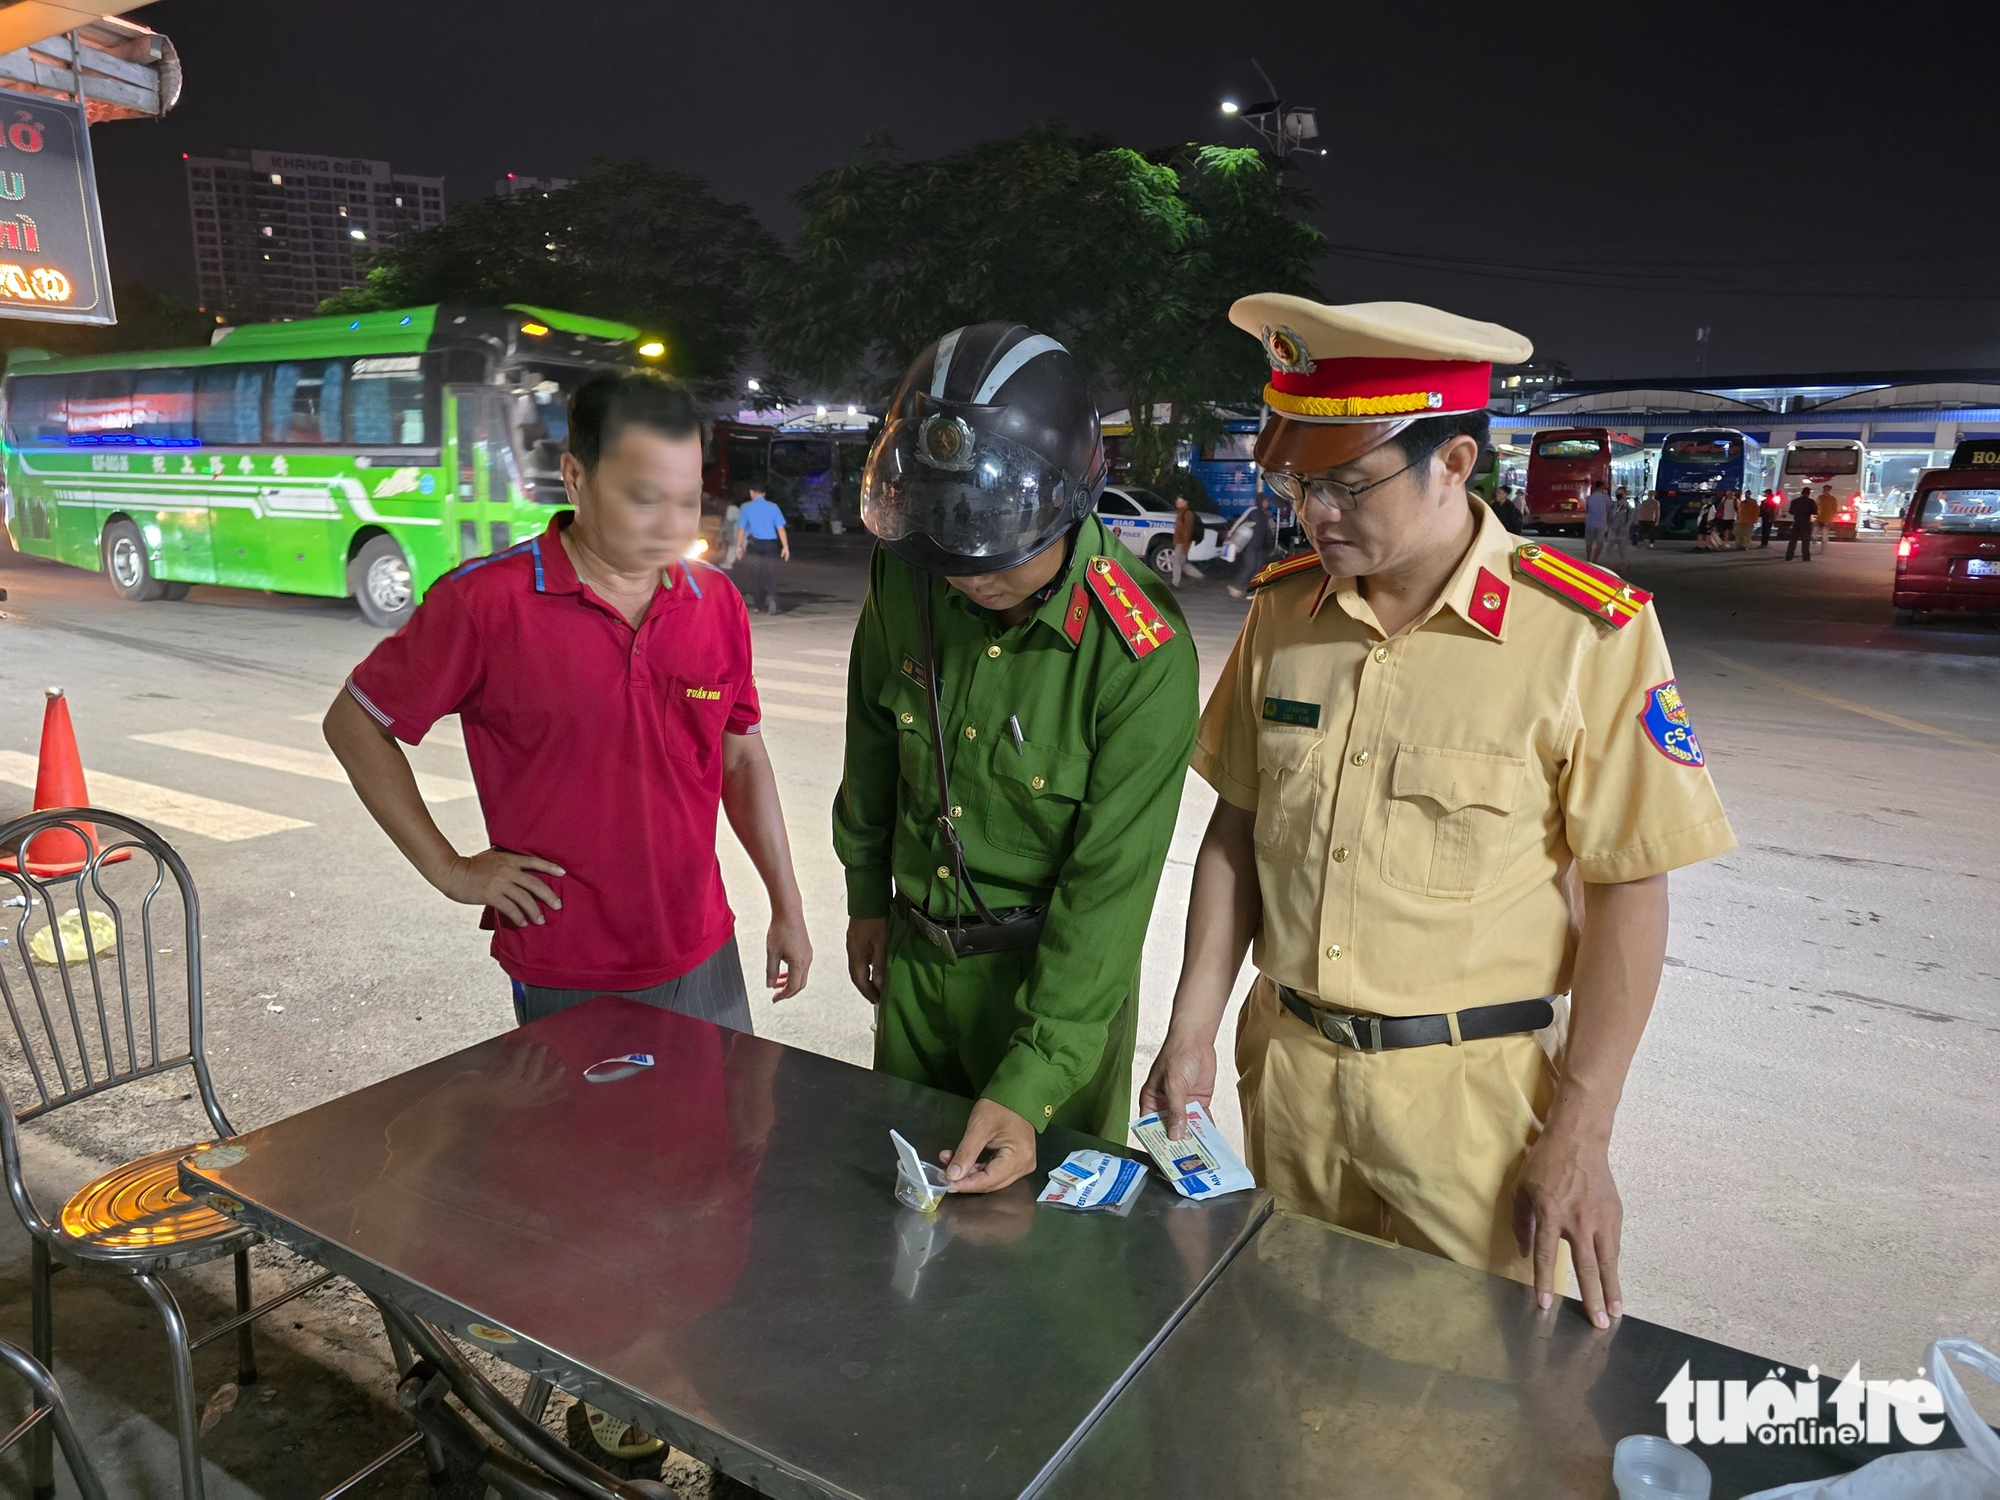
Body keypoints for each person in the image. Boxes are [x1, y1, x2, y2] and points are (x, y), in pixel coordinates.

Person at [1141, 292, 1736, 1329]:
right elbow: (1234, 832)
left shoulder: (1583, 635)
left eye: (1342, 484)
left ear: (1452, 463)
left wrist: (1582, 1131)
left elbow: (1629, 891)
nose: (1310, 513)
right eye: (1294, 482)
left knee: (1457, 1418)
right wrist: (1190, 1025)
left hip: (1471, 1107)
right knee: (1286, 1372)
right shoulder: (1285, 617)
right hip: (1287, 1081)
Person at [325, 369, 813, 1038]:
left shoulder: (716, 603)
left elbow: (742, 761)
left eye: (687, 499)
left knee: (719, 1136)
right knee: (585, 1142)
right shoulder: (485, 603)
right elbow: (355, 723)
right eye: (644, 498)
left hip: (701, 946)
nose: (671, 526)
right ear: (577, 477)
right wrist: (450, 869)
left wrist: (787, 906)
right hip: (565, 961)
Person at [835, 321, 1199, 1195]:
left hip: (1053, 996)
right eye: (943, 533)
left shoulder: (1140, 652)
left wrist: (1035, 1078)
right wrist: (865, 897)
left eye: (993, 539)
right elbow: (873, 740)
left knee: (1047, 1281)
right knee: (899, 1226)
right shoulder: (910, 572)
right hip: (917, 971)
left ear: (1075, 500)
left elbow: (1106, 895)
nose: (965, 569)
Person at [735, 483, 789, 614]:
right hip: (770, 545)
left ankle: (760, 605)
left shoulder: (746, 507)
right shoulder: (773, 507)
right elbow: (780, 528)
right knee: (771, 574)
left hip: (755, 545)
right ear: (764, 493)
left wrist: (739, 546)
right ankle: (773, 598)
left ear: (751, 492)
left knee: (755, 575)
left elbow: (741, 529)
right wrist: (785, 547)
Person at [1227, 494, 1276, 597]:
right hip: (1250, 546)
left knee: (1258, 568)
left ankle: (1252, 590)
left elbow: (1266, 531)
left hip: (1259, 547)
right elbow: (1240, 522)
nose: (1267, 502)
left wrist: (1269, 545)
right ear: (1260, 501)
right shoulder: (1253, 511)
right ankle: (1235, 585)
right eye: (1265, 500)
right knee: (1250, 566)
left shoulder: (1263, 514)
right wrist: (1231, 534)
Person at [1170, 495, 1197, 586]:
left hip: (1182, 542)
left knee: (1177, 563)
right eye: (1176, 500)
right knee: (1180, 562)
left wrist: (1185, 546)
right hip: (1180, 542)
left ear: (1186, 502)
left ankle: (1175, 583)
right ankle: (1197, 575)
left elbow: (1187, 531)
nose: (1176, 502)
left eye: (1179, 501)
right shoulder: (1181, 513)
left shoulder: (1187, 514)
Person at [1583, 479, 1612, 562]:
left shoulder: (1589, 498)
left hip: (1589, 523)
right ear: (1602, 487)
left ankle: (1588, 558)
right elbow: (1609, 509)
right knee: (1600, 543)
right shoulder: (1605, 497)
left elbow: (1587, 510)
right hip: (1600, 523)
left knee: (1589, 542)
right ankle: (1594, 560)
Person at [1786, 485, 1816, 561]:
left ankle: (1789, 556)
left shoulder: (1795, 501)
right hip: (1806, 523)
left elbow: (1791, 511)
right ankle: (1805, 557)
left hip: (1797, 522)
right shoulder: (1811, 502)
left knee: (1793, 540)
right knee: (1806, 541)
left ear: (1801, 492)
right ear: (1808, 493)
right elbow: (1815, 512)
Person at [1606, 485, 1632, 563]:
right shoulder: (1612, 505)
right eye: (1617, 493)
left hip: (1622, 530)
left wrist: (1626, 529)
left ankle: (1624, 564)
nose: (1618, 495)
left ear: (1625, 495)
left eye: (1620, 494)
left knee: (1622, 550)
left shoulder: (1627, 507)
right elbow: (1608, 517)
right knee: (1609, 547)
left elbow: (1630, 519)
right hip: (1613, 529)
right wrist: (1608, 527)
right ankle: (1613, 562)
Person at [721, 498, 742, 569]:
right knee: (736, 546)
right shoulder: (742, 510)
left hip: (735, 529)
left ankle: (728, 563)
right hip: (742, 529)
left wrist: (722, 530)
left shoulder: (732, 508)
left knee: (732, 546)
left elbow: (728, 520)